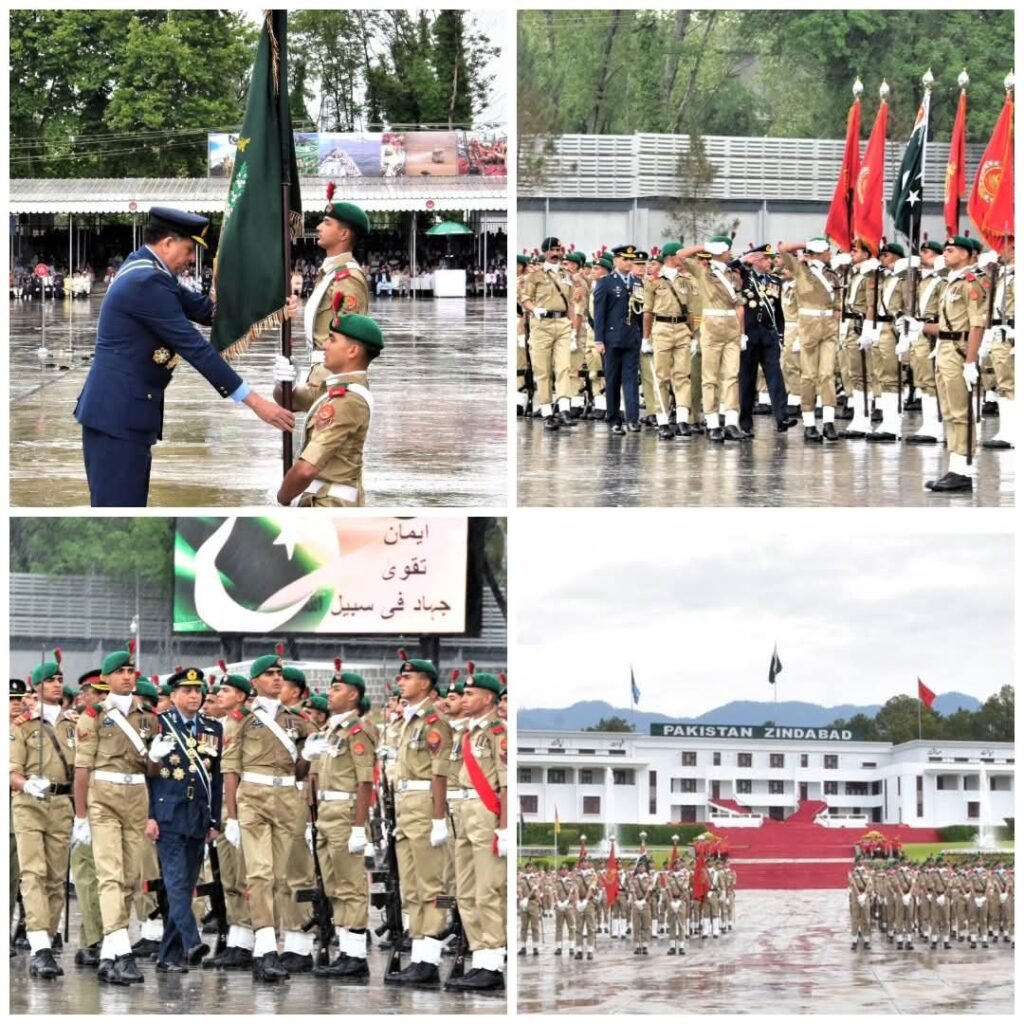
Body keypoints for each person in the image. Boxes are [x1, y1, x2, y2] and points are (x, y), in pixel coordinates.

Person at [73, 206, 295, 506]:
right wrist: (255, 402)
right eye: (189, 250)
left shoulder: (146, 269)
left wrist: (268, 300)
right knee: (118, 512)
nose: (191, 259)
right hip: (117, 419)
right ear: (167, 243)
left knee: (126, 507)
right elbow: (196, 348)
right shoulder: (146, 282)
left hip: (124, 416)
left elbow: (207, 312)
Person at [221, 653, 317, 982]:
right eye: (270, 674)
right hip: (253, 798)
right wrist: (232, 816)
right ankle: (264, 948)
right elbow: (231, 769)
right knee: (259, 874)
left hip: (287, 798)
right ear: (255, 682)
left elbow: (300, 770)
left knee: (278, 877)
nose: (277, 678)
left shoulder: (296, 720)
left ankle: (269, 943)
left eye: (279, 673)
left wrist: (309, 755)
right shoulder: (242, 718)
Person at [73, 646, 159, 985]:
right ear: (106, 679)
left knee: (128, 877)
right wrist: (81, 817)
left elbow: (152, 768)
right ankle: (122, 952)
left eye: (131, 671)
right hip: (103, 798)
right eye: (120, 672)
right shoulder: (92, 715)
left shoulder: (147, 715)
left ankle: (109, 953)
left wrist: (157, 756)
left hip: (137, 796)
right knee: (109, 874)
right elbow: (82, 770)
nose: (127, 676)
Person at [143, 668, 223, 973]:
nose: (194, 696)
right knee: (176, 882)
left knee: (186, 883)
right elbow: (147, 778)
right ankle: (191, 941)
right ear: (173, 695)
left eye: (197, 690)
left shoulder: (212, 728)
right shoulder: (159, 724)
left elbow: (215, 778)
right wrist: (149, 815)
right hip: (168, 813)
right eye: (187, 691)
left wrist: (214, 820)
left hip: (198, 814)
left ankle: (169, 955)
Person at [384, 652, 453, 988]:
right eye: (401, 677)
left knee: (431, 886)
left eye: (408, 677)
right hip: (405, 809)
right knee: (411, 887)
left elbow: (440, 775)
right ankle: (419, 954)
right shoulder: (405, 724)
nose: (401, 681)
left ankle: (430, 957)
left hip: (425, 809)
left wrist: (439, 818)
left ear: (425, 684)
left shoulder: (434, 724)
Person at [305, 665, 376, 980]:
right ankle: (346, 950)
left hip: (346, 811)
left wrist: (360, 827)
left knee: (351, 885)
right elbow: (316, 778)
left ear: (353, 695)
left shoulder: (357, 731)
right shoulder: (328, 732)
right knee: (334, 886)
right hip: (326, 812)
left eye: (336, 689)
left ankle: (356, 954)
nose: (329, 694)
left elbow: (365, 782)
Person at [10, 652, 77, 979]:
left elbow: (82, 769)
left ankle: (47, 939)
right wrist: (25, 784)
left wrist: (83, 815)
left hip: (63, 806)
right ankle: (39, 946)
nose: (56, 685)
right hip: (30, 806)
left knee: (55, 878)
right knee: (33, 873)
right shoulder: (21, 727)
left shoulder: (72, 724)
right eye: (49, 680)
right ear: (35, 687)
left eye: (59, 679)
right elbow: (9, 770)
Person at [274, 312, 383, 506]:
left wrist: (282, 498)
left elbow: (306, 469)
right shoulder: (334, 389)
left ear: (352, 351)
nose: (324, 345)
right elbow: (288, 401)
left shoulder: (348, 400)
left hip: (330, 509)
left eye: (332, 339)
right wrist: (284, 383)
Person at [906, 236, 988, 492]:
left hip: (960, 352)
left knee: (961, 411)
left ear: (967, 254)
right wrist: (921, 327)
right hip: (945, 349)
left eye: (952, 250)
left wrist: (971, 362)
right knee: (950, 411)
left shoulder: (972, 282)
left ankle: (963, 470)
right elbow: (947, 325)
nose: (947, 253)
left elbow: (977, 324)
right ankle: (955, 467)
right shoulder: (950, 282)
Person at [447, 670, 506, 991]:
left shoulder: (499, 733)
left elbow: (506, 783)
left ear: (487, 699)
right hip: (465, 812)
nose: (463, 699)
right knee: (466, 892)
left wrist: (505, 828)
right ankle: (480, 957)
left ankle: (493, 962)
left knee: (487, 890)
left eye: (470, 695)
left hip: (486, 813)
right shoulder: (466, 735)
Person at [302, 188, 371, 390]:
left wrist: (333, 384)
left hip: (332, 377)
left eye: (327, 222)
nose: (318, 227)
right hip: (319, 371)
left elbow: (348, 342)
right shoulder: (329, 272)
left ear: (343, 234)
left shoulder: (348, 277)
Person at [679, 237, 747, 441]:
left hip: (731, 326)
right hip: (711, 325)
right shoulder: (703, 271)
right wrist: (704, 247)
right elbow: (681, 256)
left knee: (731, 375)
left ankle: (732, 422)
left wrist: (742, 332)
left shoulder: (733, 275)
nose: (730, 254)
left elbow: (739, 305)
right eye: (727, 250)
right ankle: (712, 423)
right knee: (710, 376)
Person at [777, 238, 841, 442]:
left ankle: (829, 421)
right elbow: (784, 248)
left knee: (827, 374)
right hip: (808, 327)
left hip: (829, 327)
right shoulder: (801, 270)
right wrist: (807, 244)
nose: (830, 254)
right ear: (819, 252)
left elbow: (838, 304)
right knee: (808, 376)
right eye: (826, 251)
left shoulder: (832, 275)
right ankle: (809, 422)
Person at [735, 245, 798, 435]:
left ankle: (782, 417)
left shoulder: (774, 281)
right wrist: (744, 259)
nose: (770, 262)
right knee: (747, 379)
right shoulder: (744, 277)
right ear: (756, 260)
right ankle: (745, 423)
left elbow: (778, 311)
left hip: (769, 335)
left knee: (775, 375)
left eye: (770, 259)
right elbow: (730, 267)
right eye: (765, 259)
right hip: (749, 334)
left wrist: (779, 334)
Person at [520, 238, 577, 430]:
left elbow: (570, 302)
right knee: (542, 369)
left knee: (563, 366)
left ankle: (564, 409)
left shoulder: (567, 275)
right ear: (544, 252)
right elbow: (525, 298)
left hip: (562, 323)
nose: (556, 253)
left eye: (558, 249)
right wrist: (534, 309)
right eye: (552, 250)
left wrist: (574, 329)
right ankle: (546, 412)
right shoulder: (534, 276)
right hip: (541, 325)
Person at [643, 242, 696, 440]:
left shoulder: (686, 280)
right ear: (671, 257)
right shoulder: (653, 281)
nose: (684, 259)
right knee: (662, 376)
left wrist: (693, 335)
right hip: (662, 328)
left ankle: (682, 419)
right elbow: (647, 311)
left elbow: (690, 311)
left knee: (683, 375)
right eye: (681, 255)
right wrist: (645, 338)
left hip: (682, 328)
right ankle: (663, 420)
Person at [593, 246, 643, 435]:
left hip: (631, 337)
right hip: (611, 338)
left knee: (630, 379)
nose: (629, 263)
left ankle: (632, 418)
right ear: (615, 261)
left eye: (631, 260)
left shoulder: (638, 283)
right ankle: (614, 418)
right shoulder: (605, 283)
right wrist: (599, 340)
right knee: (612, 380)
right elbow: (599, 313)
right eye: (625, 259)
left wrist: (643, 336)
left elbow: (640, 311)